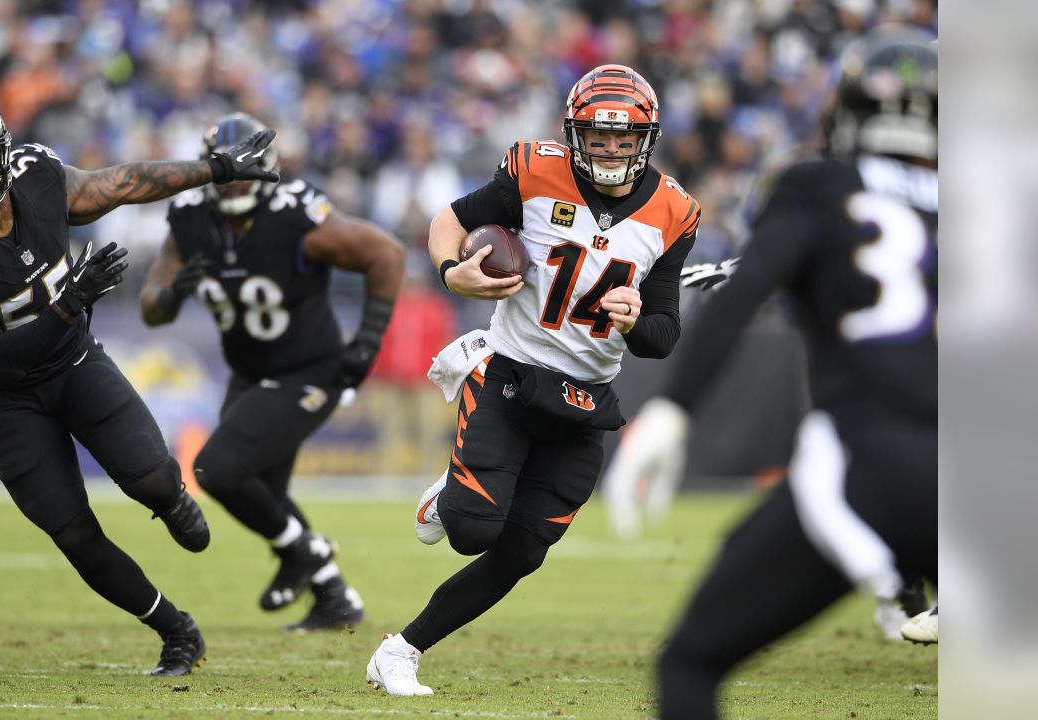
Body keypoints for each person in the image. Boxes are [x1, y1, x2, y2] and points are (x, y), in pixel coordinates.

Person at [604, 29, 937, 718]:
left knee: (690, 663)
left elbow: (744, 295)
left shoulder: (818, 182)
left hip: (870, 461)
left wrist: (671, 411)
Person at [0, 93, 279, 676]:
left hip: (74, 364)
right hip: (6, 397)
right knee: (72, 531)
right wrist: (70, 302)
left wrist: (219, 169)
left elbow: (125, 182)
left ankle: (171, 501)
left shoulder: (39, 177)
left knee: (152, 478)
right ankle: (175, 629)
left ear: (2, 153)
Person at [365, 64, 700, 695]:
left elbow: (663, 335)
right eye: (597, 137)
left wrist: (635, 321)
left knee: (521, 553)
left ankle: (400, 652)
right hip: (511, 375)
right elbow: (449, 220)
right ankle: (448, 495)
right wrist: (449, 270)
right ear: (575, 133)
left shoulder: (674, 211)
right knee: (470, 531)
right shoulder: (533, 171)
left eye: (623, 139)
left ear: (646, 139)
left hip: (586, 401)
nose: (608, 150)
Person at [139, 113, 406, 631]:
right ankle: (333, 596)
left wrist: (367, 343)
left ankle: (301, 553)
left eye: (245, 170)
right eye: (226, 169)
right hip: (248, 372)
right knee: (266, 494)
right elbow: (152, 307)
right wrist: (172, 294)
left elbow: (387, 255)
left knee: (217, 469)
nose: (235, 180)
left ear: (267, 167)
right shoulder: (191, 216)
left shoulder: (295, 215)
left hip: (311, 368)